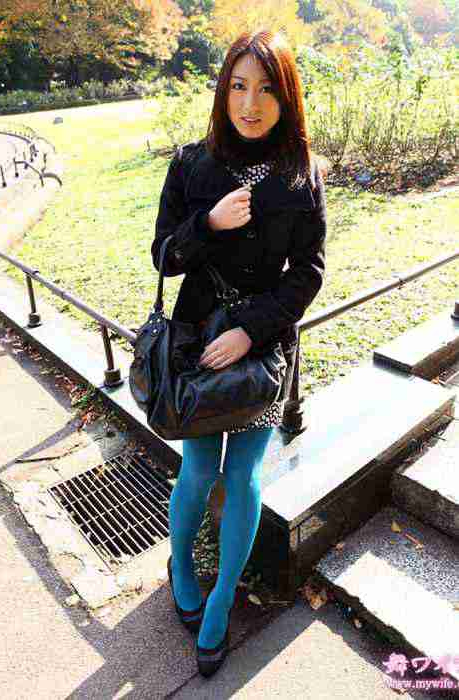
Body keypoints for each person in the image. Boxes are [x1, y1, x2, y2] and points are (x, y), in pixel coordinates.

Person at [151, 29, 327, 678]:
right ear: (223, 91)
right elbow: (163, 256)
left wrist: (251, 330)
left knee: (246, 472)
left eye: (266, 90)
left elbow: (308, 272)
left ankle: (222, 598)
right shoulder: (191, 164)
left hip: (264, 348)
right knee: (198, 469)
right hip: (197, 339)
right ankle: (181, 568)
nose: (250, 104)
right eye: (238, 87)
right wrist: (207, 224)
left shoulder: (301, 174)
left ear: (287, 97)